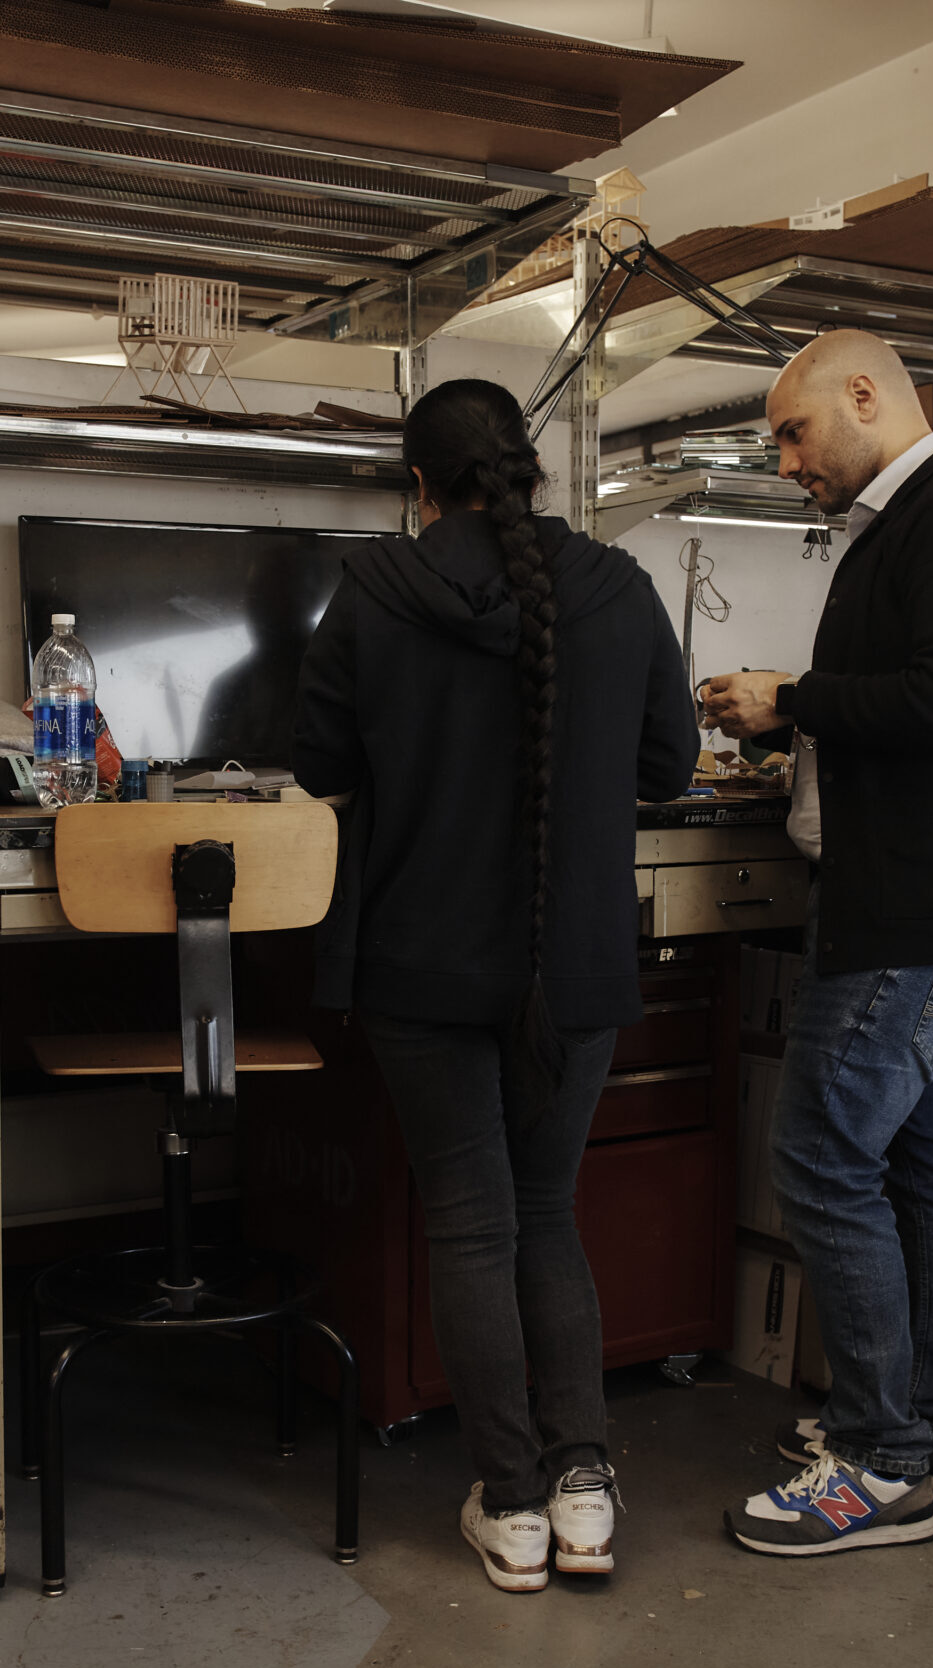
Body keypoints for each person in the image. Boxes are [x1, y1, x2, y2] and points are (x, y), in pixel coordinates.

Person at [291, 378, 698, 1592]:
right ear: (529, 470)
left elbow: (317, 763)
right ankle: (584, 1489)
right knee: (544, 1212)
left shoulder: (372, 592)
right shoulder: (618, 588)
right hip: (568, 963)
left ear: (419, 484)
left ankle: (511, 1504)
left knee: (470, 1220)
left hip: (421, 965)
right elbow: (670, 764)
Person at [701, 329, 933, 1556]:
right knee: (923, 1163)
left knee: (818, 1154)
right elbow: (925, 699)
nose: (785, 460)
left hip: (929, 909)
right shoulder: (911, 519)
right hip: (925, 894)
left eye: (794, 431)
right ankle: (932, 1428)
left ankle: (877, 1465)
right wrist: (788, 722)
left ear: (865, 395)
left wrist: (793, 698)